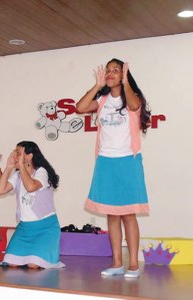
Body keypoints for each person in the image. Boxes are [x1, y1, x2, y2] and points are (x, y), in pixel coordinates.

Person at [76, 58, 151, 278]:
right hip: (105, 162)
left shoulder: (131, 100)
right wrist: (97, 86)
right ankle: (117, 263)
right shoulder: (102, 100)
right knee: (112, 215)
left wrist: (126, 81)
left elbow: (135, 106)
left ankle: (134, 265)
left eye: (115, 70)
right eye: (108, 70)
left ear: (123, 75)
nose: (110, 73)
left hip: (128, 160)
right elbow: (80, 107)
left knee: (128, 214)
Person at [0, 141, 65, 269]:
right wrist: (8, 167)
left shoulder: (41, 172)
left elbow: (30, 187)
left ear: (29, 156)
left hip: (45, 229)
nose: (15, 156)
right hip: (24, 229)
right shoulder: (17, 176)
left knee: (33, 265)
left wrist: (21, 165)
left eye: (18, 153)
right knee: (12, 263)